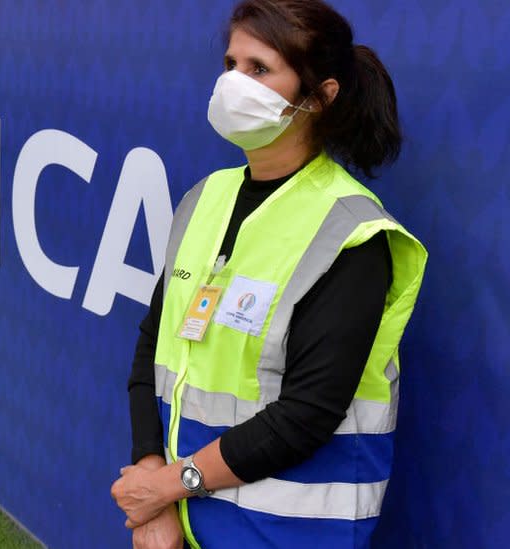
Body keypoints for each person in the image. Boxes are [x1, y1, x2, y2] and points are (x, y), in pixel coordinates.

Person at [109, 1, 428, 548]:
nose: (234, 83)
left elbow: (306, 414)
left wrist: (166, 488)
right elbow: (152, 349)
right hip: (185, 523)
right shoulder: (204, 198)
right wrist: (151, 493)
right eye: (231, 64)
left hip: (287, 533)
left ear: (320, 96)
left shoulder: (353, 233)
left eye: (259, 69)